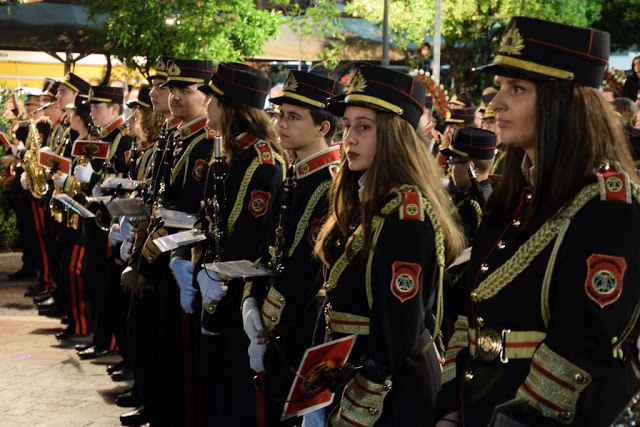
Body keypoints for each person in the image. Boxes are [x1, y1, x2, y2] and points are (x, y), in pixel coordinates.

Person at [437, 16, 640, 426]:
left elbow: (581, 349)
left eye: (517, 90)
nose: (495, 103)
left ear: (561, 102)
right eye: (500, 88)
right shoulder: (516, 191)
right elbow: (474, 318)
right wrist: (451, 408)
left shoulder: (608, 204)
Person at [311, 64, 465, 426]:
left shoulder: (405, 216)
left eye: (363, 127)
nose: (348, 138)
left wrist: (361, 399)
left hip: (390, 393)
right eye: (346, 126)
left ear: (395, 136)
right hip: (353, 376)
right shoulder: (367, 198)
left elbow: (399, 331)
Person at [242, 70, 343, 426]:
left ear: (323, 128)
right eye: (280, 115)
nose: (281, 124)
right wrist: (249, 302)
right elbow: (268, 249)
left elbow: (306, 269)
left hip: (301, 326)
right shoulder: (296, 173)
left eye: (293, 117)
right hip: (277, 325)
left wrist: (266, 323)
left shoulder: (330, 184)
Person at [194, 62, 286, 427]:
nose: (206, 105)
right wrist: (201, 266)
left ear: (229, 105)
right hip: (216, 289)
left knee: (235, 397)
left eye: (212, 99)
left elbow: (252, 238)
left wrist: (222, 281)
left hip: (239, 298)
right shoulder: (227, 152)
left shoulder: (263, 161)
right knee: (215, 389)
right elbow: (210, 222)